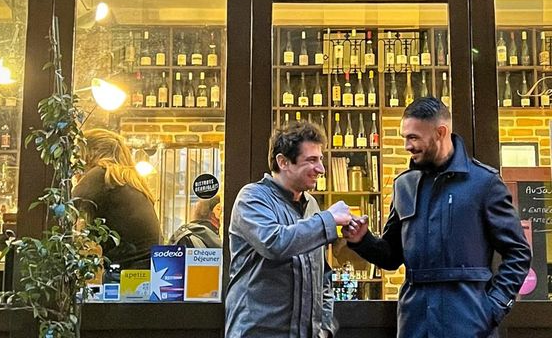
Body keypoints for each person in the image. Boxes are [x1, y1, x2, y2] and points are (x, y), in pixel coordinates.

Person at [343, 97, 531, 338]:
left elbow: (519, 253)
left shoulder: (484, 183)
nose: (407, 146)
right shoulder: (404, 185)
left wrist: (493, 307)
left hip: (469, 323)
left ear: (441, 132)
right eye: (404, 138)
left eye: (413, 137)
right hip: (414, 323)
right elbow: (391, 257)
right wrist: (363, 240)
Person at [225, 121, 352, 338]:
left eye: (320, 159)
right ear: (283, 162)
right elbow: (275, 243)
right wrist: (328, 219)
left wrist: (325, 328)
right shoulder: (252, 198)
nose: (321, 169)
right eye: (311, 160)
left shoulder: (311, 204)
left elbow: (322, 276)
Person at [73, 128, 162, 274]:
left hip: (124, 275)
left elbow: (66, 212)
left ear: (91, 152)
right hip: (147, 273)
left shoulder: (102, 174)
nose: (76, 164)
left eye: (78, 155)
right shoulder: (128, 180)